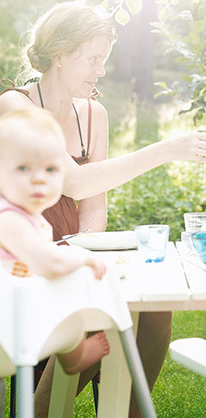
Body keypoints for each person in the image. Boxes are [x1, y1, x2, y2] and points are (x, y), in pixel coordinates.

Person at [0, 1, 206, 417]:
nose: (100, 71)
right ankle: (42, 408)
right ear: (61, 53)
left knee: (153, 311)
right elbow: (73, 181)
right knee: (101, 312)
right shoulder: (15, 106)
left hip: (69, 251)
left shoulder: (93, 114)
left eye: (103, 60)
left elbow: (92, 205)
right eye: (93, 59)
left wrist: (87, 254)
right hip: (21, 260)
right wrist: (167, 150)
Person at [0, 108, 110, 376]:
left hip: (17, 317)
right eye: (24, 168)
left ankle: (73, 358)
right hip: (7, 331)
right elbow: (48, 263)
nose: (39, 178)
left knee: (66, 300)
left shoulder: (29, 218)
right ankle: (75, 359)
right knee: (71, 313)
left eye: (50, 169)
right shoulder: (8, 219)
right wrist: (82, 257)